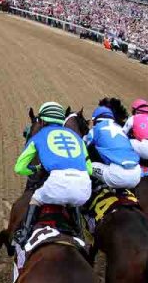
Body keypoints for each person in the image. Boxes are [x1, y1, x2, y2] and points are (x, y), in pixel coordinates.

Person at [12, 102, 92, 246]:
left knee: (35, 198)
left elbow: (19, 168)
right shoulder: (77, 137)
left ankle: (24, 233)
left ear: (41, 121)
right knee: (73, 202)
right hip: (84, 189)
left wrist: (36, 169)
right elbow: (90, 170)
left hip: (57, 184)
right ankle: (80, 234)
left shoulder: (39, 136)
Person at [83, 105, 141, 189]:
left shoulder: (95, 130)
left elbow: (83, 146)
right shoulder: (121, 129)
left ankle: (95, 190)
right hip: (136, 175)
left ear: (96, 120)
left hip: (117, 176)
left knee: (86, 165)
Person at [122, 98, 148, 163]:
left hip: (145, 149)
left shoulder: (133, 118)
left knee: (124, 141)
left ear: (136, 111)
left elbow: (123, 133)